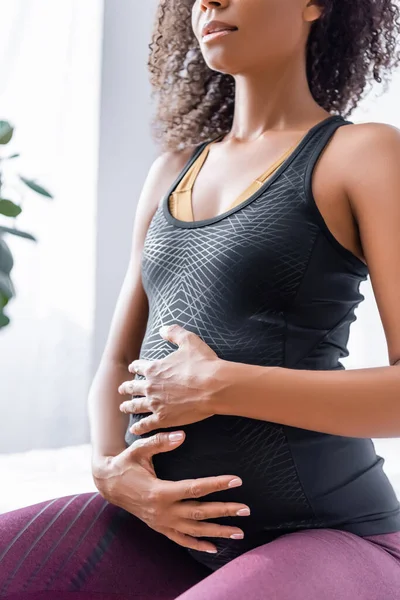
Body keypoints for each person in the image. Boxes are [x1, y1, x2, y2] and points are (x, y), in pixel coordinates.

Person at [1, 0, 400, 598]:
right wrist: (111, 471)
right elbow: (116, 362)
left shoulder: (363, 155)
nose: (206, 2)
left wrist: (220, 385)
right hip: (167, 533)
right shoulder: (171, 172)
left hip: (334, 533)